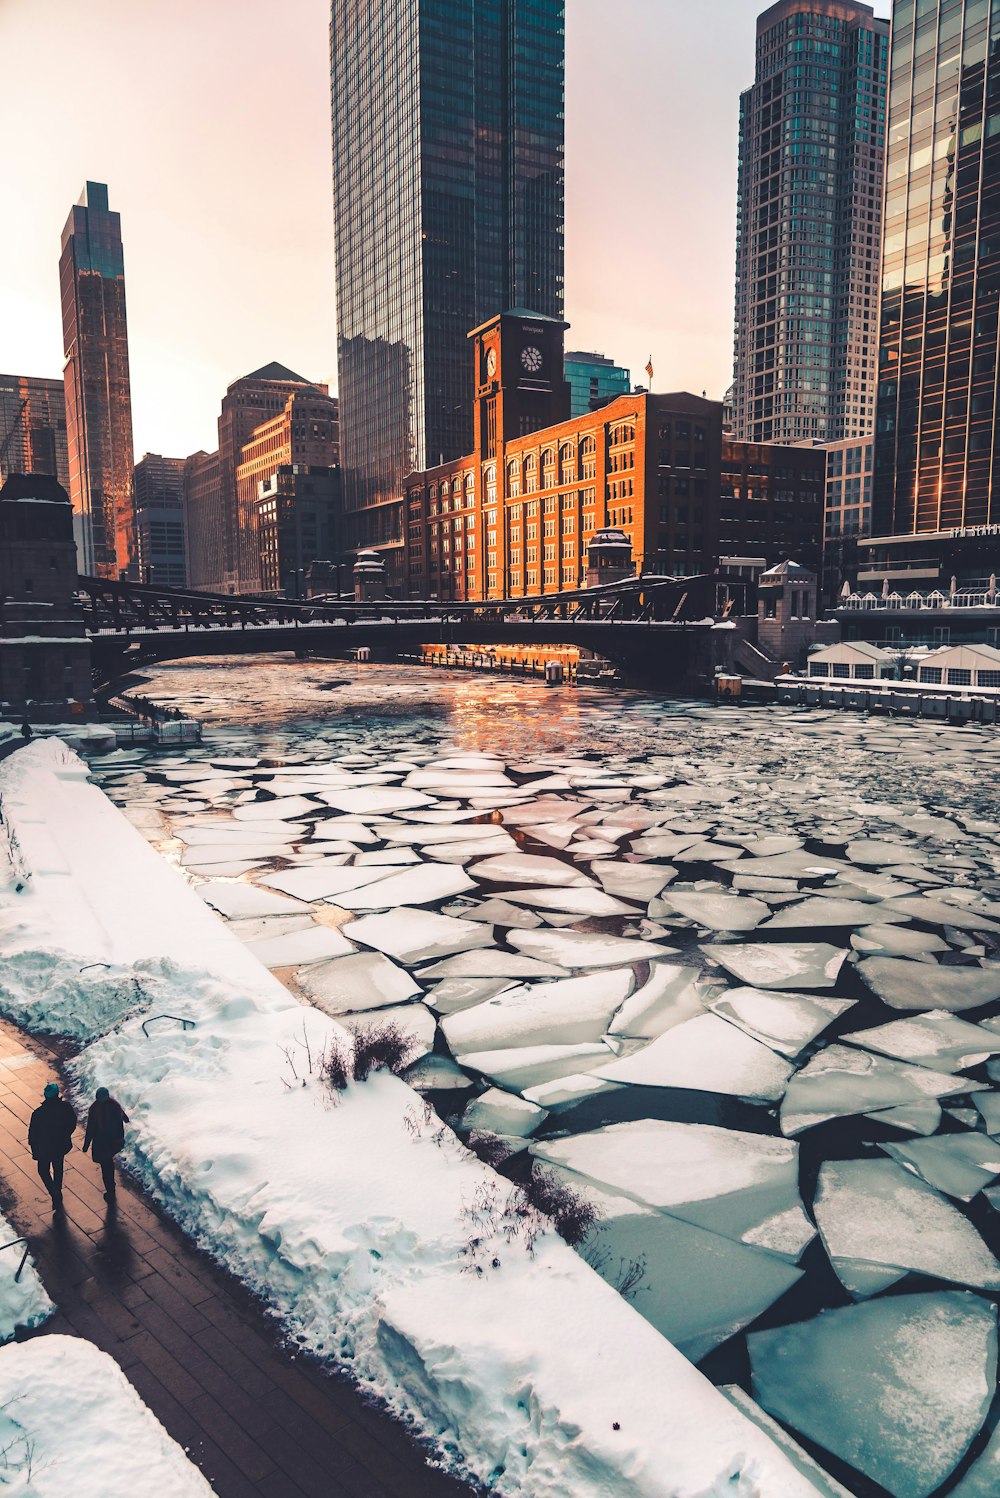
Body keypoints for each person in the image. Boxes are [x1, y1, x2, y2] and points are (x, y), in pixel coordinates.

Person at [28, 1082, 76, 1209]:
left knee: (43, 1170)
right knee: (58, 1168)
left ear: (45, 1095)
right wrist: (66, 1134)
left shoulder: (38, 1113)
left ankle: (54, 1192)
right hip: (60, 1145)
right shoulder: (65, 1107)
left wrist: (34, 1149)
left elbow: (32, 1134)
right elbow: (72, 1122)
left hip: (44, 1148)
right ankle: (57, 1191)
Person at [83, 1087, 129, 1200]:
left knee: (105, 1166)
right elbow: (123, 1117)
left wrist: (86, 1144)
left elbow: (90, 1129)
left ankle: (110, 1191)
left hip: (101, 1143)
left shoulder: (95, 1109)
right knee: (108, 1163)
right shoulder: (114, 1106)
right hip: (114, 1141)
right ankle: (111, 1185)